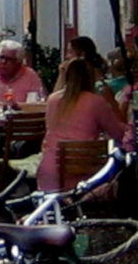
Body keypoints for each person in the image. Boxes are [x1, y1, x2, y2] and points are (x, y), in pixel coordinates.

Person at [36, 59, 126, 192]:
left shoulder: (52, 100)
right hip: (84, 173)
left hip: (50, 171)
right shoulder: (96, 102)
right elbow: (118, 133)